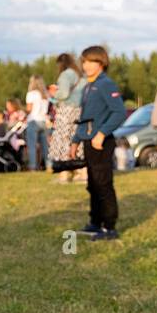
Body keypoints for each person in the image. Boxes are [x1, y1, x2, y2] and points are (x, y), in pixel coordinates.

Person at [72, 46, 128, 240]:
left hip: (101, 143)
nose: (85, 65)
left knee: (103, 184)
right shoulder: (88, 86)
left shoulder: (106, 84)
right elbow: (86, 117)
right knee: (93, 184)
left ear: (101, 63)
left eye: (89, 61)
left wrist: (102, 133)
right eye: (84, 61)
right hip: (89, 142)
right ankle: (95, 222)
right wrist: (75, 140)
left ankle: (109, 227)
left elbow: (119, 112)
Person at [49, 53, 87, 183]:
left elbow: (64, 94)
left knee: (63, 140)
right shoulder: (81, 75)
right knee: (77, 141)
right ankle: (81, 171)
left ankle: (64, 173)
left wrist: (55, 93)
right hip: (79, 110)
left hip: (66, 110)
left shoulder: (65, 75)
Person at [25, 75, 50, 171]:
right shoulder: (45, 95)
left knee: (32, 146)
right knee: (45, 146)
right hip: (43, 121)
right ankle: (49, 165)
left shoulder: (31, 94)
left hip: (33, 121)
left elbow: (29, 109)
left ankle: (33, 166)